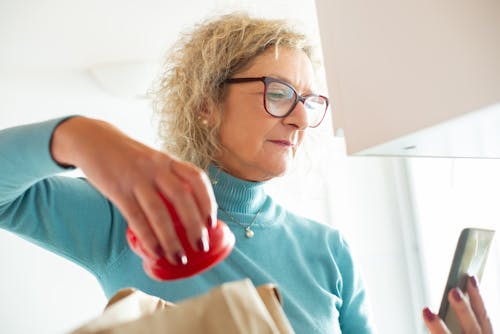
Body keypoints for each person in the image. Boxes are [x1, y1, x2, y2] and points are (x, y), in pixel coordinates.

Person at [0, 13, 492, 334]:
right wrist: (81, 136)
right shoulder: (129, 216)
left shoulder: (329, 251)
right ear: (206, 105)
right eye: (279, 93)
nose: (301, 118)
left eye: (310, 102)